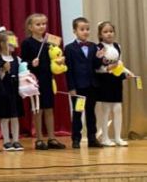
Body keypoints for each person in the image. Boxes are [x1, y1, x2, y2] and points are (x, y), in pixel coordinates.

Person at [21, 13, 66, 151]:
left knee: (49, 108)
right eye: (38, 24)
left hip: (47, 79)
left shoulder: (49, 42)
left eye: (44, 24)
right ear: (30, 27)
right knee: (38, 109)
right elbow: (23, 63)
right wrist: (31, 63)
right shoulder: (27, 43)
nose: (42, 26)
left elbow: (55, 57)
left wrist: (59, 61)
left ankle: (52, 138)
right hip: (35, 81)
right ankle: (39, 139)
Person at [94, 20, 133, 146]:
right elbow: (96, 67)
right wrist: (107, 68)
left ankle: (117, 137)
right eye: (105, 32)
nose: (109, 34)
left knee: (117, 109)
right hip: (104, 81)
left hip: (116, 81)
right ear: (100, 34)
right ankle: (105, 138)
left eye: (111, 31)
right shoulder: (98, 48)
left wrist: (126, 73)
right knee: (105, 110)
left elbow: (119, 64)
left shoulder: (117, 46)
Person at [64, 17, 101, 149]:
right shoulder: (69, 48)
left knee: (91, 113)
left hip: (92, 86)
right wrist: (71, 87)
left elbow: (96, 66)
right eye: (82, 29)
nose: (85, 32)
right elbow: (68, 70)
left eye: (87, 29)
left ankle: (92, 138)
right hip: (78, 87)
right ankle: (76, 139)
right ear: (75, 31)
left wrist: (99, 58)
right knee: (77, 113)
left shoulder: (93, 46)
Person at [0, 28, 24, 151]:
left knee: (15, 116)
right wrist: (3, 70)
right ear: (2, 44)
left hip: (14, 91)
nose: (13, 44)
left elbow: (22, 74)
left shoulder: (17, 59)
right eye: (10, 42)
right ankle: (6, 141)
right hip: (3, 92)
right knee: (5, 117)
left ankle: (16, 140)